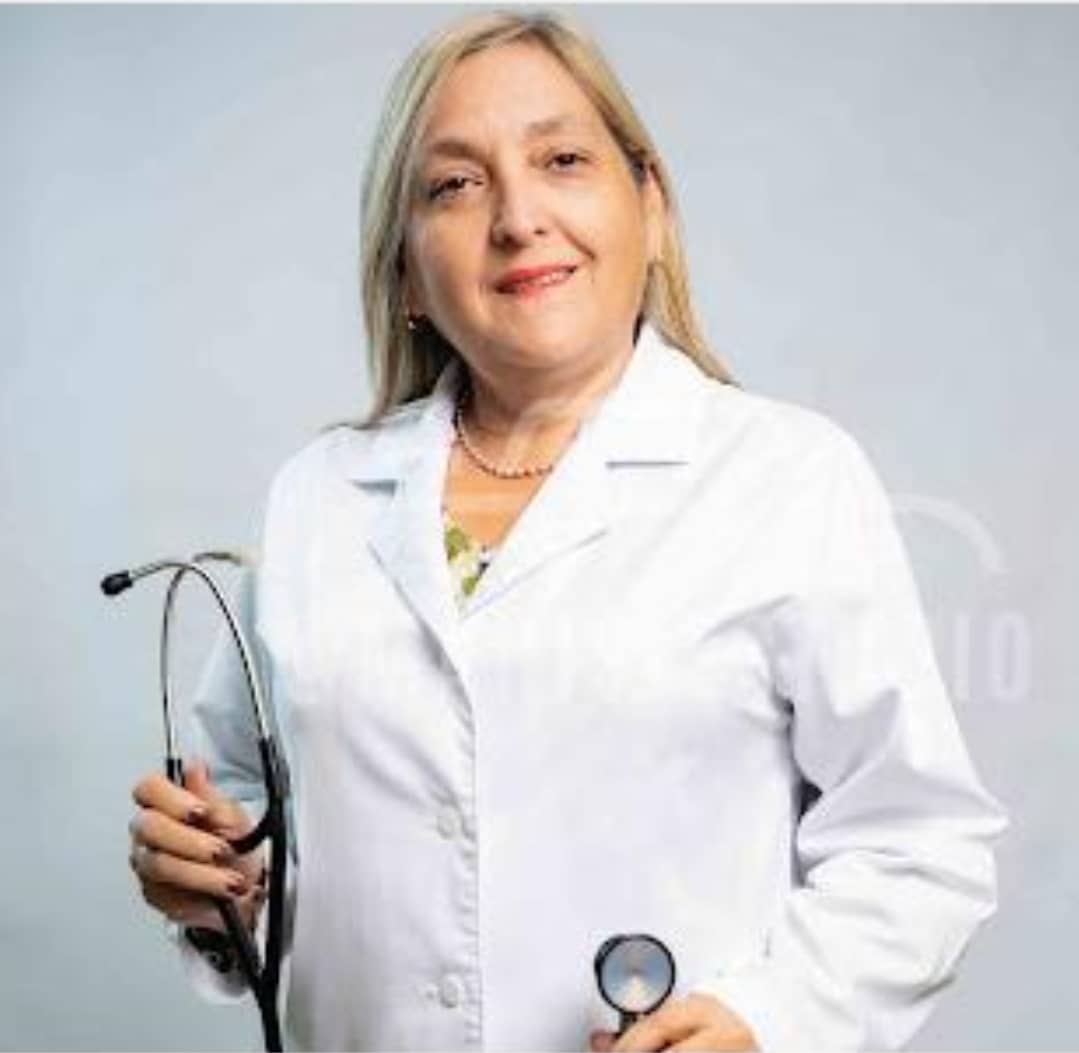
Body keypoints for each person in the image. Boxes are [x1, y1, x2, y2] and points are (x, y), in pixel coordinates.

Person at [126, 9, 1008, 1051]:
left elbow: (917, 844)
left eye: (562, 160)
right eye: (455, 184)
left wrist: (766, 1021)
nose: (517, 217)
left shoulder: (787, 478)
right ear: (405, 272)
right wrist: (215, 885)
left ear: (650, 208)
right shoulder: (318, 494)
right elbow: (247, 824)